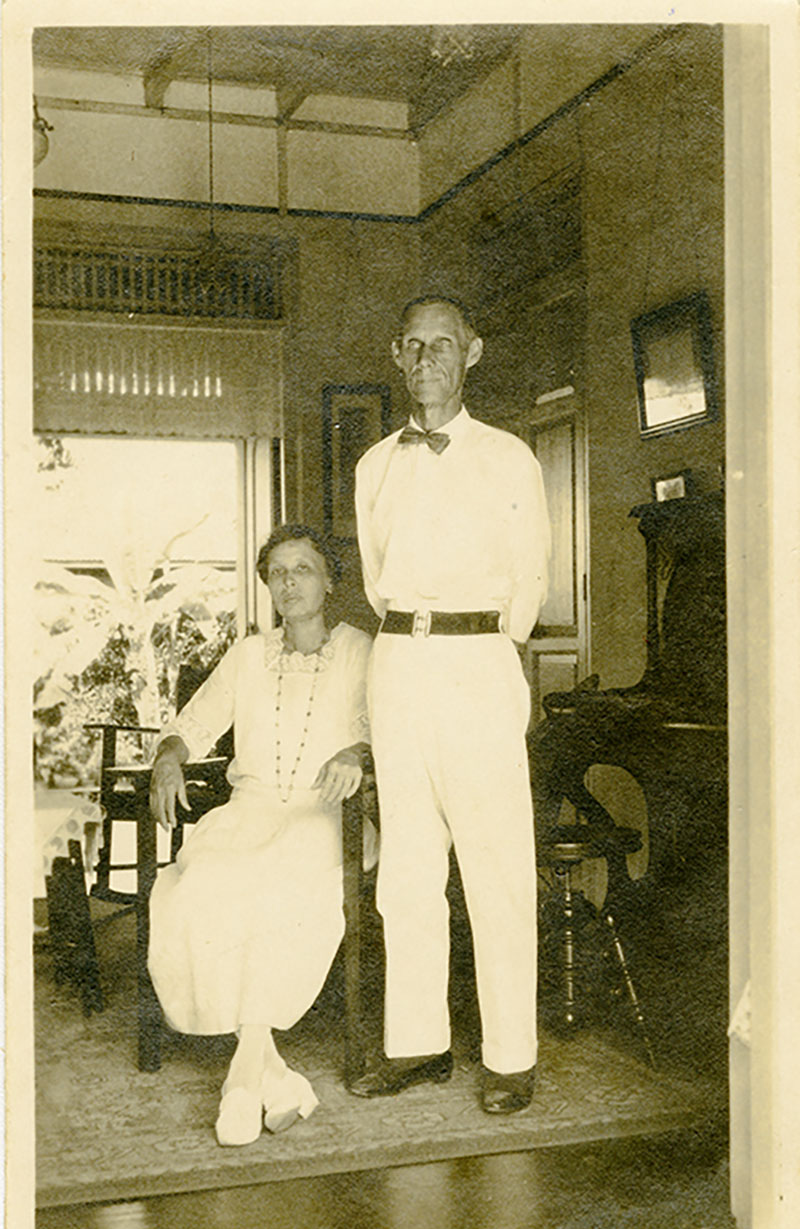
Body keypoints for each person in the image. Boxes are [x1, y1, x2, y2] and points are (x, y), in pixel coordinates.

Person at [353, 295, 551, 1114]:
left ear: (472, 353)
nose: (427, 357)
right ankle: (419, 1044)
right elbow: (373, 575)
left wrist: (484, 649)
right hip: (398, 659)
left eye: (444, 343)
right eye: (414, 344)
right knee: (406, 866)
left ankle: (511, 1056)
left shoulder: (509, 459)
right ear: (398, 355)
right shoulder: (374, 466)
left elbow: (530, 578)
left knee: (495, 863)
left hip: (477, 660)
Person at [147, 524, 371, 1146]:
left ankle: (243, 1081)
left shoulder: (361, 649)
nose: (288, 582)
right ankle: (259, 1074)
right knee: (205, 879)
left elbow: (386, 728)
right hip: (248, 810)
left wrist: (356, 751)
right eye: (277, 572)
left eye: (302, 569)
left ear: (330, 581)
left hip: (326, 815)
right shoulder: (249, 655)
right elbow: (193, 722)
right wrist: (169, 756)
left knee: (279, 886)